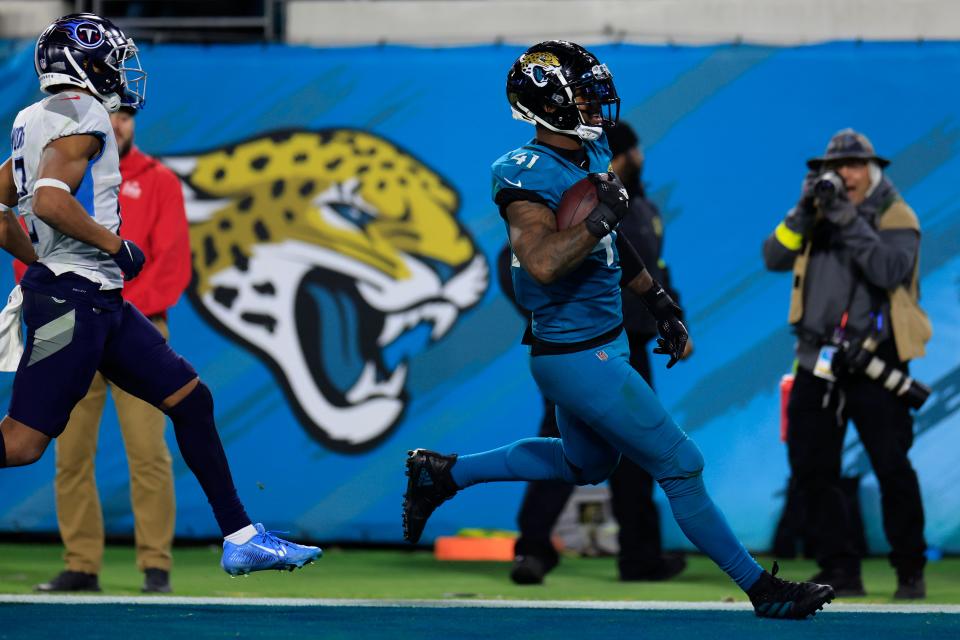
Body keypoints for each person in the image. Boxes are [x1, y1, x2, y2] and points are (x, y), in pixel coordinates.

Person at [402, 39, 834, 619]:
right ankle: (763, 590)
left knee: (587, 466)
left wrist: (659, 302)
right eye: (581, 93)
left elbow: (609, 241)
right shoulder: (523, 174)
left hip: (597, 343)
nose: (594, 102)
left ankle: (444, 473)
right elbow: (544, 262)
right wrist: (603, 214)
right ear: (547, 103)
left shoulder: (591, 150)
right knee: (681, 466)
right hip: (579, 356)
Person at [0, 12, 320, 577]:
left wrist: (35, 259)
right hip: (76, 299)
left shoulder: (32, 117)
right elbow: (49, 200)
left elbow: (6, 199)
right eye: (114, 58)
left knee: (191, 401)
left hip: (97, 299)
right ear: (86, 62)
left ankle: (241, 535)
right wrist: (115, 245)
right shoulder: (85, 112)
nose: (122, 69)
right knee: (22, 445)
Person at [506, 122, 688, 585]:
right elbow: (523, 258)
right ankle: (535, 548)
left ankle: (633, 554)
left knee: (616, 448)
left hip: (626, 341)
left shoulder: (637, 207)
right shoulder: (575, 199)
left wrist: (670, 314)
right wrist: (550, 317)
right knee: (594, 445)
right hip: (586, 343)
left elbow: (651, 269)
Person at [26, 99, 191, 594]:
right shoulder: (58, 168)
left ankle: (155, 565)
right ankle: (81, 564)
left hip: (131, 325)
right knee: (66, 452)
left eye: (125, 114)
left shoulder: (158, 179)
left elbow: (172, 263)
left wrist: (112, 310)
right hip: (68, 321)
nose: (116, 122)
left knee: (148, 453)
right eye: (109, 113)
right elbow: (32, 247)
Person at [763, 129, 930, 599]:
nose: (845, 175)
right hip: (817, 357)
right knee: (811, 467)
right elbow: (774, 255)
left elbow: (887, 270)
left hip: (877, 357)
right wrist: (802, 212)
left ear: (873, 169)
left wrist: (844, 215)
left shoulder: (896, 213)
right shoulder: (814, 214)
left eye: (855, 165)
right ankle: (839, 569)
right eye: (836, 168)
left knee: (891, 465)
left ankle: (910, 570)